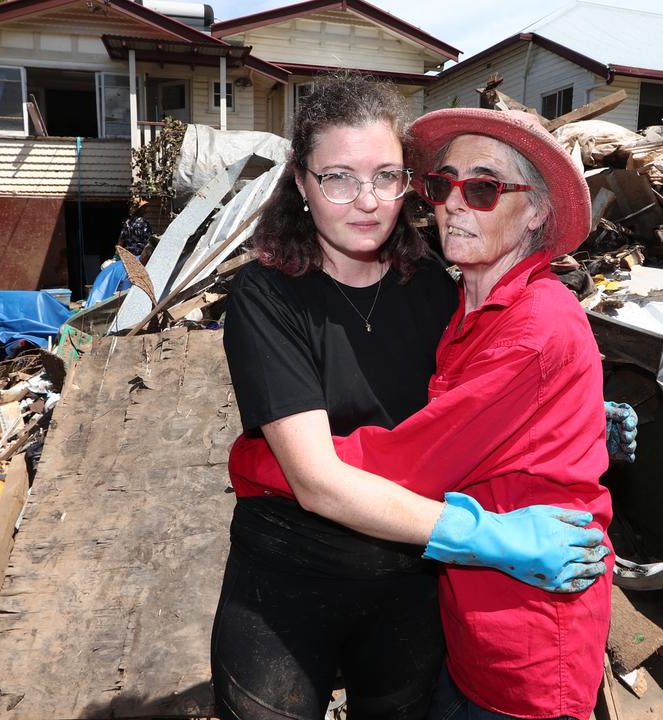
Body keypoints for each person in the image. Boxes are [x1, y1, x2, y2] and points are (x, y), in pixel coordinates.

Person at [213, 76, 608, 720]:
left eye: (387, 176)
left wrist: (574, 415)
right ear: (302, 184)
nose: (366, 202)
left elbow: (470, 408)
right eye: (338, 177)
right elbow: (324, 483)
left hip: (408, 574)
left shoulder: (434, 283)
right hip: (293, 568)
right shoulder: (268, 296)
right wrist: (488, 532)